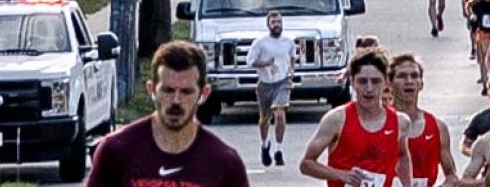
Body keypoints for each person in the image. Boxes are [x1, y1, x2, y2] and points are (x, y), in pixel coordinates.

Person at [86, 41, 248, 186]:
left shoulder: (225, 163)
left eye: (186, 91)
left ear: (204, 94)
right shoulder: (115, 151)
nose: (176, 101)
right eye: (168, 90)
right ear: (151, 89)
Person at [300, 50, 413, 186]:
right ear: (352, 82)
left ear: (386, 82)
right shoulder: (337, 119)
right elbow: (306, 164)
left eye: (376, 81)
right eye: (362, 81)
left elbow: (402, 156)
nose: (369, 88)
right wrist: (341, 175)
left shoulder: (400, 122)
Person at [389, 54, 458, 187]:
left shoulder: (437, 127)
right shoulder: (377, 123)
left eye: (414, 76)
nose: (409, 81)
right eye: (402, 76)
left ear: (421, 84)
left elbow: (451, 176)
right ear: (389, 83)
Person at [247, 12, 295, 167]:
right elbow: (250, 62)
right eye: (274, 22)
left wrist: (291, 71)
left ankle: (279, 150)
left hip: (282, 82)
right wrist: (265, 63)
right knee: (265, 119)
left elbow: (292, 57)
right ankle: (264, 144)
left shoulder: (288, 42)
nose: (277, 25)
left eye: (279, 22)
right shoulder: (260, 43)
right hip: (265, 84)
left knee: (280, 114)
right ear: (268, 25)